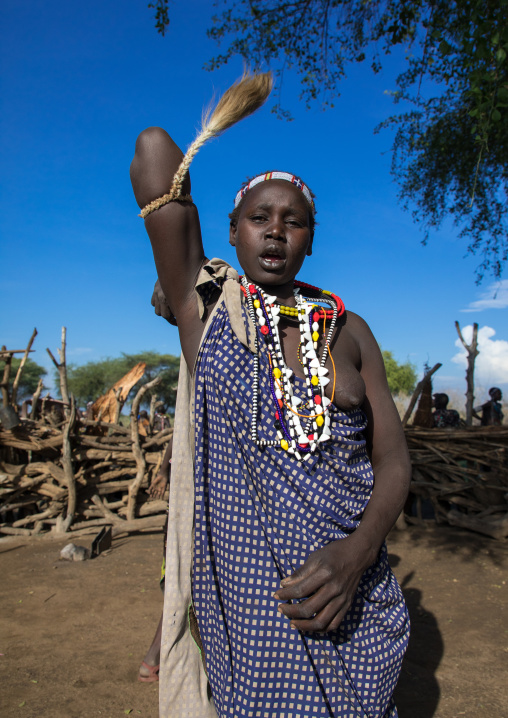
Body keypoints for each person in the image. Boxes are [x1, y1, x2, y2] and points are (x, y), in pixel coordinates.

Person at [131, 72, 411, 718]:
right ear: (232, 231)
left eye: (295, 222)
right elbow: (151, 150)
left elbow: (394, 461)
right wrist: (212, 130)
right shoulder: (206, 313)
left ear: (312, 238)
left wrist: (356, 552)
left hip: (352, 592)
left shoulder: (348, 330)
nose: (276, 232)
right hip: (255, 611)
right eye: (259, 218)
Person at [138, 437, 173, 683]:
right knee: (179, 594)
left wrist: (163, 471)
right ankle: (152, 661)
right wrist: (163, 471)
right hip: (186, 523)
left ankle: (153, 662)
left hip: (174, 524)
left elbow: (176, 434)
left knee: (176, 591)